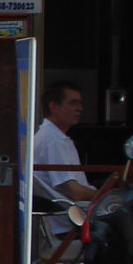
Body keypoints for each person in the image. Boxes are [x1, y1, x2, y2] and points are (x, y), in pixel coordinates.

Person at [34, 81, 97, 231]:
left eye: (80, 103)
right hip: (71, 224)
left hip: (73, 219)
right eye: (73, 103)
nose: (79, 108)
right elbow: (73, 191)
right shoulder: (53, 140)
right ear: (54, 107)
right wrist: (104, 196)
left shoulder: (54, 136)